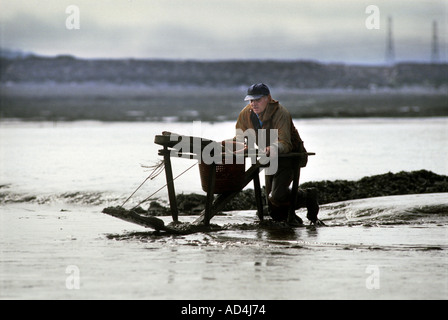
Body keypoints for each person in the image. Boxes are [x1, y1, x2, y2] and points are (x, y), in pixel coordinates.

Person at [235, 83, 321, 225]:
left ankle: (307, 196)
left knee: (277, 196)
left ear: (268, 98)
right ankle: (290, 216)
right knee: (273, 208)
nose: (254, 104)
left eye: (258, 100)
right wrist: (240, 145)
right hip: (269, 158)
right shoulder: (246, 114)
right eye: (251, 100)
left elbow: (285, 143)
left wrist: (272, 148)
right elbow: (240, 136)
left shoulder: (281, 113)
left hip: (289, 156)